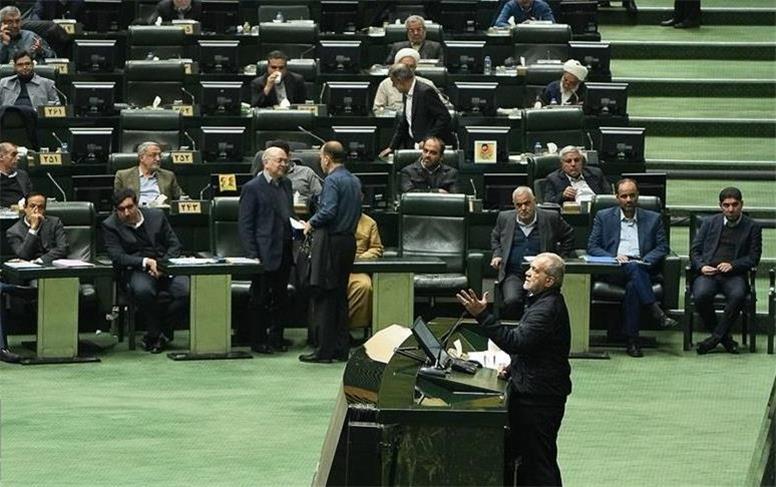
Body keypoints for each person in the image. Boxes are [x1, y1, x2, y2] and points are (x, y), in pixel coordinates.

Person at [456, 252, 570, 486]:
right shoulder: (542, 301)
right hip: (537, 389)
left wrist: (482, 315)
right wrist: (512, 367)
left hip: (539, 398)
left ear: (549, 281)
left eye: (535, 270)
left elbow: (516, 342)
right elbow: (534, 347)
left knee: (539, 463)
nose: (527, 273)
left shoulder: (546, 309)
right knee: (530, 461)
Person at [587, 178, 678, 358]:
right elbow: (592, 246)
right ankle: (655, 312)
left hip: (643, 268)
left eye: (632, 195)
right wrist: (613, 258)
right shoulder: (603, 216)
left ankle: (632, 340)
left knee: (633, 286)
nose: (628, 200)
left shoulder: (653, 218)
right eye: (624, 196)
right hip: (615, 269)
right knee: (633, 270)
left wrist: (645, 260)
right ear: (617, 197)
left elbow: (662, 247)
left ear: (637, 196)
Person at [102, 188, 189, 353]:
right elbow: (117, 256)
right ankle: (156, 334)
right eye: (121, 209)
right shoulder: (110, 225)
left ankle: (161, 333)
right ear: (116, 210)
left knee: (187, 291)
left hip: (163, 267)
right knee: (144, 291)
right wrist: (146, 262)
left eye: (130, 207)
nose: (127, 213)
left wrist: (161, 266)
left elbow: (175, 245)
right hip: (136, 269)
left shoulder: (156, 216)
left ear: (137, 204)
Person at [300, 141, 362, 363]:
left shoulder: (332, 180)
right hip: (348, 242)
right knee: (340, 296)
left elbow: (328, 210)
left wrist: (311, 222)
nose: (320, 161)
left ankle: (324, 351)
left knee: (326, 295)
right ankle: (340, 348)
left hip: (332, 243)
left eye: (321, 157)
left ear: (327, 158)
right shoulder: (354, 180)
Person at [692, 187, 762, 355]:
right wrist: (701, 266)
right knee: (701, 295)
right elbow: (695, 251)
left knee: (738, 295)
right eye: (726, 205)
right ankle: (725, 340)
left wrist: (733, 265)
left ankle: (714, 339)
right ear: (720, 206)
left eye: (735, 205)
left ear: (741, 204)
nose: (731, 209)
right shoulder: (709, 223)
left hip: (734, 274)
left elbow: (754, 257)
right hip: (709, 273)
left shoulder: (752, 227)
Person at [239, 147, 295, 354]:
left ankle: (277, 338)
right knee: (260, 299)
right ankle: (258, 340)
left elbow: (288, 214)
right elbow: (245, 225)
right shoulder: (252, 188)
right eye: (279, 161)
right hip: (263, 253)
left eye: (285, 161)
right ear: (266, 162)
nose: (284, 164)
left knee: (281, 298)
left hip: (284, 250)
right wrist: (252, 254)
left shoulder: (286, 184)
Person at [491, 187, 574, 320]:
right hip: (514, 273)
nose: (523, 208)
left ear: (534, 201)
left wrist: (559, 258)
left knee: (544, 304)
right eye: (519, 205)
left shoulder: (551, 217)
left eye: (527, 203)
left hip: (542, 275)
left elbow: (568, 235)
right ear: (514, 205)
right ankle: (518, 330)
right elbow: (495, 237)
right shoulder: (505, 218)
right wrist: (497, 254)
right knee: (512, 300)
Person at [380, 63, 455, 157]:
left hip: (430, 148)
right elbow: (404, 122)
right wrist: (392, 147)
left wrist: (427, 139)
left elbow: (444, 117)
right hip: (414, 145)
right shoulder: (406, 92)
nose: (393, 85)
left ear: (400, 80)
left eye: (393, 82)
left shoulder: (425, 92)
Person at [250, 140, 322, 207]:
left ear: (289, 156)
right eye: (278, 160)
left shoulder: (306, 172)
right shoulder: (262, 176)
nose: (282, 164)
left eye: (283, 160)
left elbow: (320, 197)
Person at [113, 141, 185, 207]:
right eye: (153, 155)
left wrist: (185, 199)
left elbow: (180, 197)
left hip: (161, 212)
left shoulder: (169, 176)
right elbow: (118, 201)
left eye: (160, 155)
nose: (158, 159)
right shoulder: (123, 175)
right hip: (136, 212)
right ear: (141, 158)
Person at [6, 191, 67, 265]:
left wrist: (40, 260)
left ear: (44, 209)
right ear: (25, 208)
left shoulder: (54, 223)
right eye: (32, 206)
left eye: (40, 207)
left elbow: (62, 249)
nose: (36, 210)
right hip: (28, 269)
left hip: (52, 264)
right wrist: (33, 229)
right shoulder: (14, 231)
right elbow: (23, 256)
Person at [374, 48, 439, 113]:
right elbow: (377, 109)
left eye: (411, 66)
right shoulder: (385, 84)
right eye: (405, 66)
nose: (408, 69)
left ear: (415, 67)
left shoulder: (427, 84)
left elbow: (441, 108)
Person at [348, 212, 383, 329]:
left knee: (363, 286)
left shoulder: (369, 222)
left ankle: (354, 327)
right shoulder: (333, 217)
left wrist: (360, 258)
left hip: (358, 267)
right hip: (335, 266)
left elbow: (376, 248)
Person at [543, 146, 610, 205]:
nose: (573, 164)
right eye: (568, 161)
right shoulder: (553, 179)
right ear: (562, 164)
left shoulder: (596, 173)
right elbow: (548, 203)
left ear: (582, 162)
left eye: (577, 160)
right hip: (574, 212)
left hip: (598, 210)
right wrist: (562, 195)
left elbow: (609, 196)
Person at [0, 142, 31, 208]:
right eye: (13, 155)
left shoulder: (23, 175)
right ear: (1, 157)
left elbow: (30, 197)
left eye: (17, 155)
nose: (18, 158)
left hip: (21, 211)